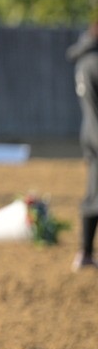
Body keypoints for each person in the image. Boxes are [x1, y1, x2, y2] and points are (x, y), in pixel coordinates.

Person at [69, 20, 98, 271]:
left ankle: (86, 253)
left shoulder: (84, 61)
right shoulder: (95, 63)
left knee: (93, 195)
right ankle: (85, 253)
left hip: (90, 137)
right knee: (93, 198)